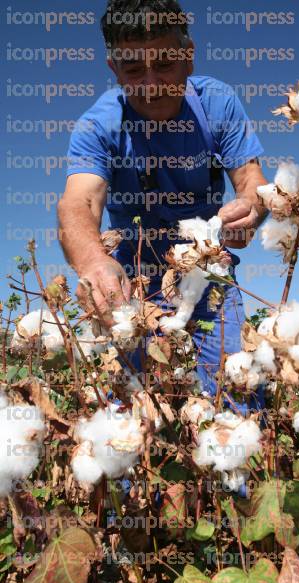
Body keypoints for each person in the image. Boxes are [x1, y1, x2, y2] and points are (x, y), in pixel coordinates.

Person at [58, 0, 269, 400]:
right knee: (138, 415)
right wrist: (93, 262)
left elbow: (251, 181)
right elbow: (78, 204)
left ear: (189, 57)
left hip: (208, 276)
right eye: (135, 70)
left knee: (235, 393)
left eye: (166, 63)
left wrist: (252, 210)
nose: (152, 84)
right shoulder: (99, 125)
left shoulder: (216, 104)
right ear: (115, 70)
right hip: (130, 286)